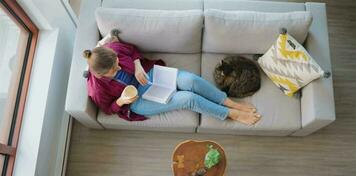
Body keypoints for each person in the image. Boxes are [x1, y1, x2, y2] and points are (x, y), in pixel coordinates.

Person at [83, 39, 261, 125]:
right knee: (187, 99)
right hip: (139, 100)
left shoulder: (112, 50)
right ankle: (231, 114)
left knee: (190, 80)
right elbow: (107, 109)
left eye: (117, 63)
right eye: (114, 70)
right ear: (100, 74)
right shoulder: (97, 89)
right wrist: (122, 101)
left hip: (150, 74)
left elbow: (131, 50)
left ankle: (228, 101)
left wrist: (137, 66)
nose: (119, 68)